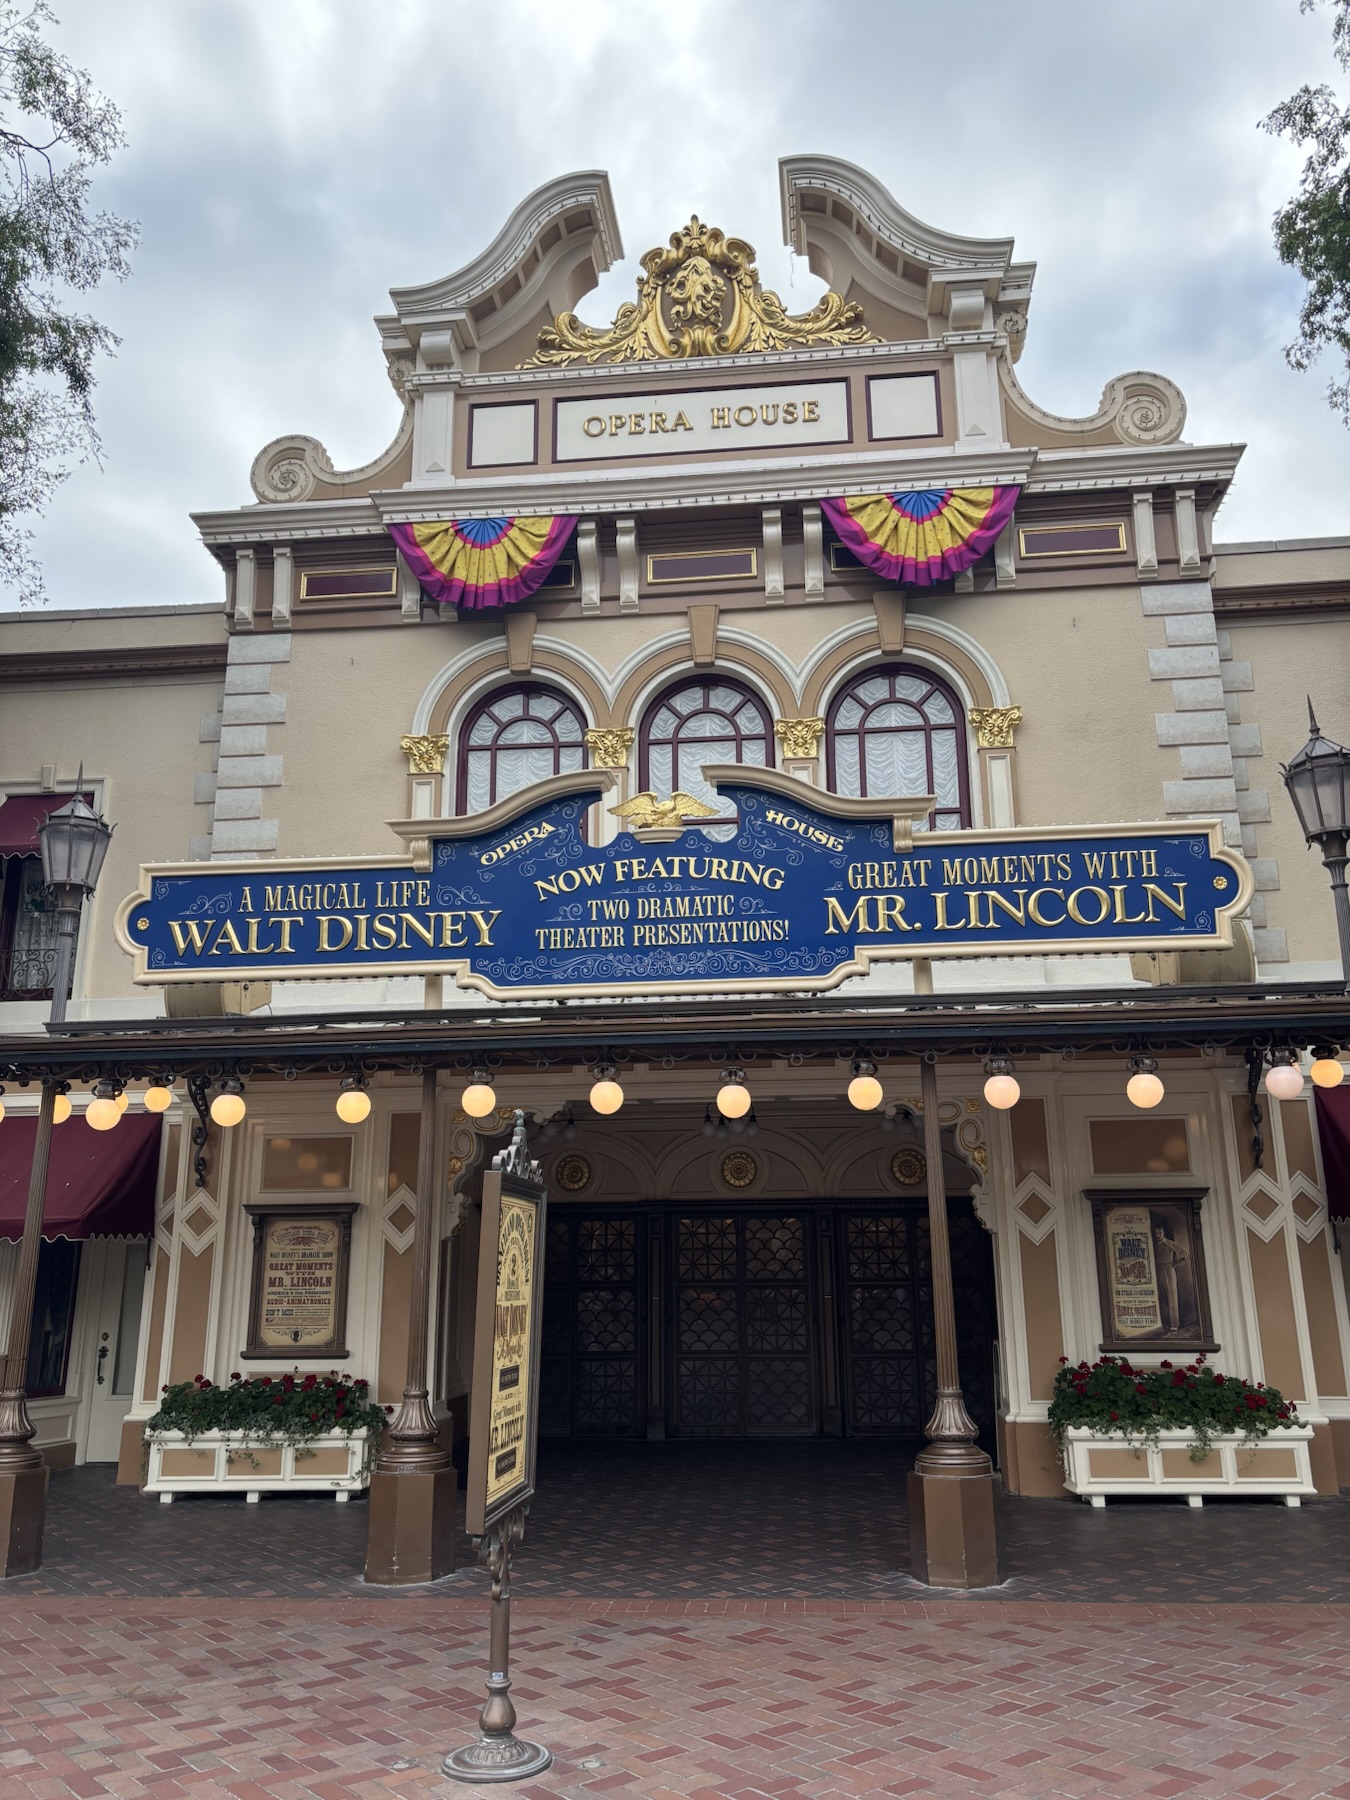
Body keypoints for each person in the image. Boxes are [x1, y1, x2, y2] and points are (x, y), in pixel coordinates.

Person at [1153, 1223, 1188, 1335]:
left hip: (1168, 1269)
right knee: (1161, 1297)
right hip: (1157, 1270)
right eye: (1156, 1233)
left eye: (1160, 1233)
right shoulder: (1153, 1244)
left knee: (1172, 1297)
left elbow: (1184, 1252)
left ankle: (1174, 1324)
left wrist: (1175, 1263)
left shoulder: (1168, 1243)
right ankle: (1165, 1323)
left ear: (1163, 1233)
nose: (1158, 1235)